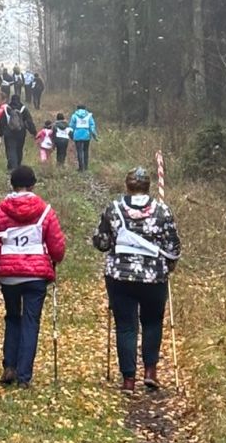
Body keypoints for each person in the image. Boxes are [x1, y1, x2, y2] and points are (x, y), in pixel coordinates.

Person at [92, 167, 181, 396]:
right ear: (148, 186)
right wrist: (170, 264)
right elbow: (173, 246)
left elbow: (101, 242)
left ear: (127, 185)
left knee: (126, 326)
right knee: (152, 322)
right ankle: (150, 371)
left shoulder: (114, 208)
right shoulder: (162, 210)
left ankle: (128, 380)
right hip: (154, 277)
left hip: (120, 276)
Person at [0, 165, 66, 387]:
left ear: (12, 185)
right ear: (33, 185)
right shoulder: (45, 211)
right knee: (31, 321)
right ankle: (24, 376)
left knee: (12, 317)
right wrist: (56, 258)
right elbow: (57, 246)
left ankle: (9, 366)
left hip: (9, 277)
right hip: (36, 276)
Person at [0, 93, 36, 171]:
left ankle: (12, 167)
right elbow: (29, 122)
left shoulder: (6, 109)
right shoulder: (23, 109)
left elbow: (2, 122)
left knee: (10, 149)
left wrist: (1, 133)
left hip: (9, 133)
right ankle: (18, 165)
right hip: (21, 133)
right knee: (19, 149)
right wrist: (34, 132)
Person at [68, 103, 98, 171]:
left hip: (77, 135)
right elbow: (92, 126)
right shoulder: (89, 116)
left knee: (79, 151)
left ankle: (81, 168)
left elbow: (71, 126)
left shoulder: (74, 116)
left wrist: (71, 135)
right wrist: (94, 135)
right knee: (86, 151)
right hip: (86, 135)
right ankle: (86, 167)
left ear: (77, 109)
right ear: (85, 109)